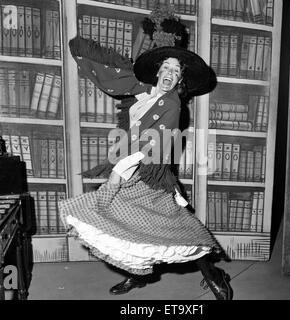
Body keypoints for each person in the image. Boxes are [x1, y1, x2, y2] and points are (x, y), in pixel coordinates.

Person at [59, 10, 233, 301]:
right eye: (166, 68)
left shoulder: (174, 105)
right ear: (159, 71)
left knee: (175, 226)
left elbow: (156, 145)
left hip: (149, 172)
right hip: (130, 167)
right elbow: (116, 77)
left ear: (180, 79)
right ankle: (136, 274)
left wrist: (120, 168)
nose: (169, 75)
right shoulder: (145, 91)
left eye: (176, 72)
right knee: (129, 223)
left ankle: (213, 274)